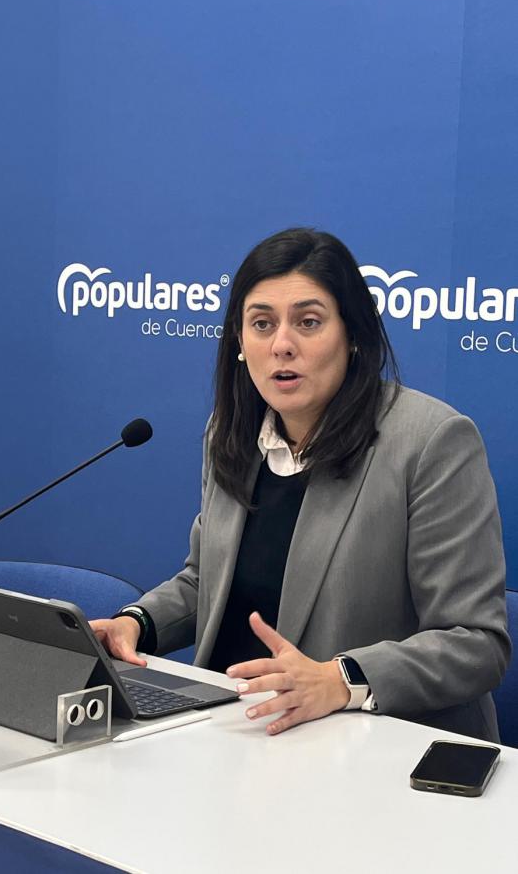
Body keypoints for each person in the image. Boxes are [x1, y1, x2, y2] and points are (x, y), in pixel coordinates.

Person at [91, 228, 510, 741]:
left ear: (352, 335)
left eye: (308, 322)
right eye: (261, 324)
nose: (282, 345)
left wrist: (341, 679)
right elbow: (206, 581)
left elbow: (475, 642)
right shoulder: (231, 432)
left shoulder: (431, 442)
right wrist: (136, 623)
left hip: (371, 745)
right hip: (234, 730)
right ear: (239, 342)